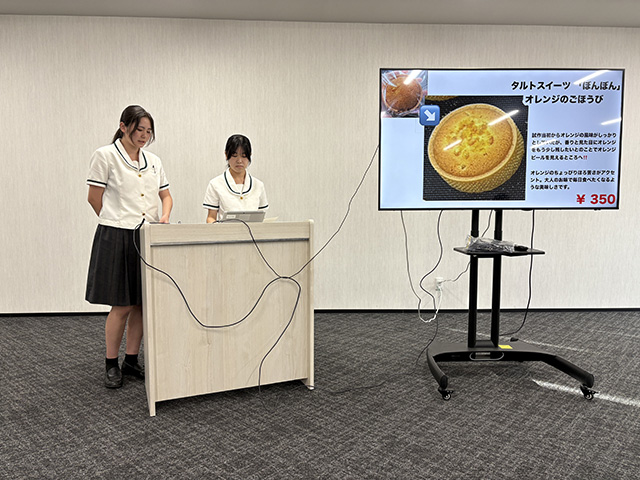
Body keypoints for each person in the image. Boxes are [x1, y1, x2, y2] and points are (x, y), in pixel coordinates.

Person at [86, 105, 173, 388]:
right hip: (116, 235)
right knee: (121, 305)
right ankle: (111, 363)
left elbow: (166, 195)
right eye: (139, 130)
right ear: (123, 127)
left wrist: (165, 216)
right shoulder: (105, 155)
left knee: (141, 304)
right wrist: (115, 220)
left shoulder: (154, 161)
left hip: (146, 235)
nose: (144, 136)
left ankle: (131, 360)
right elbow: (94, 197)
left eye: (149, 131)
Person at [203, 134, 268, 222]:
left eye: (244, 156)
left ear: (250, 155)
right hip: (226, 230)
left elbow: (261, 218)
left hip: (252, 231)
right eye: (234, 155)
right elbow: (211, 217)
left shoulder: (258, 185)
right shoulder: (215, 184)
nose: (239, 160)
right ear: (226, 155)